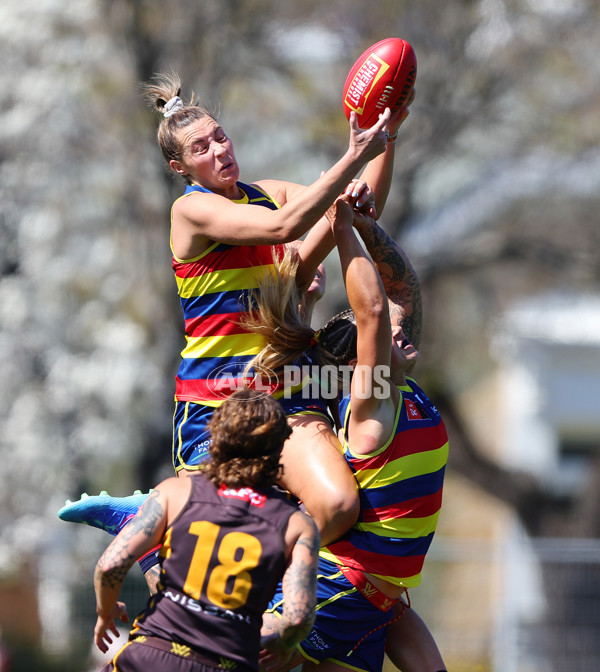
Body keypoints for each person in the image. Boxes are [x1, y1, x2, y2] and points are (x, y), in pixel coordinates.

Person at [59, 70, 406, 579]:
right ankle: (156, 526)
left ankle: (246, 568)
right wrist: (354, 153)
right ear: (181, 167)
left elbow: (354, 206)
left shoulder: (264, 192)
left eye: (221, 136)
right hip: (217, 405)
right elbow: (285, 227)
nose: (219, 149)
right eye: (202, 147)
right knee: (186, 574)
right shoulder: (191, 211)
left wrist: (388, 130)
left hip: (288, 394)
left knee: (337, 507)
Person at [249, 196, 495, 672]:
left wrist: (366, 226)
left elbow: (403, 291)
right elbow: (377, 314)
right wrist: (340, 232)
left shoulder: (405, 392)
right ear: (365, 361)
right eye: (390, 338)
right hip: (331, 593)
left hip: (371, 613)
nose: (403, 333)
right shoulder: (370, 406)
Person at [47, 390, 320, 672]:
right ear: (279, 451)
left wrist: (106, 614)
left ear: (217, 437)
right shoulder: (297, 524)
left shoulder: (177, 491)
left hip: (152, 665)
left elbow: (110, 566)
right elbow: (299, 615)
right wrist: (287, 644)